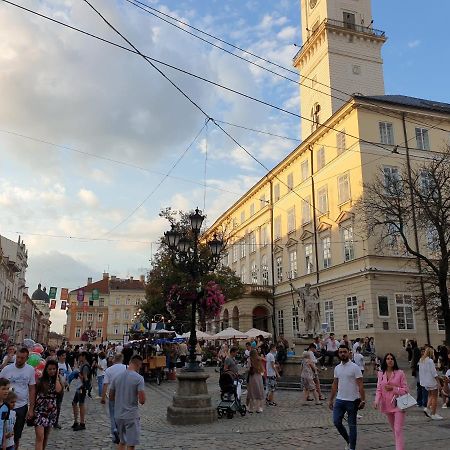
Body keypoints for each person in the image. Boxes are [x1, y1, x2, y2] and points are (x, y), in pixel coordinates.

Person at [328, 345, 366, 450]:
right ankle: (348, 440)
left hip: (352, 401)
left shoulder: (355, 367)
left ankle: (352, 448)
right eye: (340, 352)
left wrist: (363, 400)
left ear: (349, 352)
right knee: (336, 422)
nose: (343, 354)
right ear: (338, 354)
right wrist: (331, 399)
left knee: (352, 426)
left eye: (344, 352)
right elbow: (334, 384)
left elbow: (361, 385)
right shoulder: (337, 368)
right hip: (340, 400)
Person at [0, 347, 36, 450]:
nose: (19, 360)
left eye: (22, 358)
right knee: (3, 430)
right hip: (6, 405)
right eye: (18, 357)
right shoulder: (7, 369)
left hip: (21, 405)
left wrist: (31, 409)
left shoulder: (30, 370)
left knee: (17, 433)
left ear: (27, 358)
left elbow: (32, 389)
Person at [109, 355, 146, 450]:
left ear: (130, 362)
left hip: (118, 415)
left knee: (122, 441)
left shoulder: (117, 377)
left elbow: (111, 397)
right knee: (131, 444)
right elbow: (142, 400)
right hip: (131, 415)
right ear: (138, 364)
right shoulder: (139, 378)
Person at [374, 353, 408, 450]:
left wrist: (393, 388)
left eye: (392, 359)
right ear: (385, 361)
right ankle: (400, 445)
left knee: (398, 429)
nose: (390, 360)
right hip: (387, 404)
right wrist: (376, 401)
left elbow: (405, 390)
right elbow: (379, 389)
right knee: (394, 429)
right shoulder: (381, 374)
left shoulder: (400, 373)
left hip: (399, 404)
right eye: (388, 359)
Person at [32, 360, 63, 450]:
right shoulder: (41, 380)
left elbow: (58, 390)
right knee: (40, 437)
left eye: (54, 369)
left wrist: (57, 377)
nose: (52, 371)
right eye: (50, 369)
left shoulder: (57, 380)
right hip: (39, 410)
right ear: (46, 369)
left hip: (51, 411)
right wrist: (31, 409)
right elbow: (34, 395)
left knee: (45, 437)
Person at [101, 353, 127, 444]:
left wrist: (103, 397)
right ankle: (121, 432)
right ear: (122, 359)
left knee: (112, 414)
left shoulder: (109, 370)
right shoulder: (126, 368)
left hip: (112, 395)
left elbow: (105, 384)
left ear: (114, 359)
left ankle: (115, 430)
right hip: (124, 395)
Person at [419, 347, 443, 420]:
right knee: (435, 398)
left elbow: (422, 372)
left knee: (430, 396)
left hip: (425, 382)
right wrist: (438, 382)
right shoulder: (430, 361)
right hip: (432, 381)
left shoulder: (421, 360)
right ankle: (433, 413)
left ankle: (427, 408)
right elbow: (434, 373)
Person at [71, 352, 91, 431]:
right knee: (74, 403)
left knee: (81, 404)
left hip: (81, 387)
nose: (79, 358)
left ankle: (82, 423)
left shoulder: (85, 366)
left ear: (84, 357)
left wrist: (77, 373)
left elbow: (85, 378)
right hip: (79, 387)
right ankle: (76, 421)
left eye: (80, 357)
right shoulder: (83, 365)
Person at [55, 349, 71, 429]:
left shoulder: (67, 365)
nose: (64, 357)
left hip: (62, 388)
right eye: (62, 356)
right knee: (52, 404)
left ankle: (56, 421)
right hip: (54, 387)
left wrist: (67, 382)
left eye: (65, 355)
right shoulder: (56, 365)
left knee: (58, 405)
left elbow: (69, 374)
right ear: (58, 356)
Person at [0, 378, 12, 449]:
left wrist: (4, 442)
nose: (6, 391)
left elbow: (4, 424)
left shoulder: (6, 406)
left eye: (7, 389)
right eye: (3, 389)